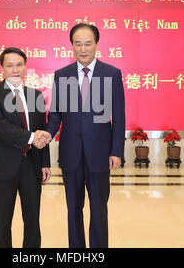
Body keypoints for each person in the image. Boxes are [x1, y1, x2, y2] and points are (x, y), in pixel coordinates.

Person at [45, 23, 126, 248]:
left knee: (99, 209)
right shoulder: (62, 75)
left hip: (100, 154)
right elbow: (56, 115)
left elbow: (118, 116)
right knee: (73, 209)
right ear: (71, 45)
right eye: (78, 44)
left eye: (87, 43)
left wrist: (116, 151)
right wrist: (46, 135)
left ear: (96, 44)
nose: (83, 48)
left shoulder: (112, 73)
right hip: (71, 154)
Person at [0, 47, 51, 248]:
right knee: (3, 224)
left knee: (32, 222)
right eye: (9, 65)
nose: (15, 70)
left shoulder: (36, 95)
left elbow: (42, 131)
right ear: (2, 68)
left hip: (31, 166)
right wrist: (31, 137)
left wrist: (44, 162)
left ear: (25, 67)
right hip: (3, 168)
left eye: (19, 65)